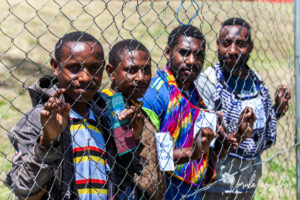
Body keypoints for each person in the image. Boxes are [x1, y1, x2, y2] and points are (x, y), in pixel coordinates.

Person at [5, 31, 142, 199]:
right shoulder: (37, 119)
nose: (85, 77)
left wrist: (132, 140)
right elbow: (24, 189)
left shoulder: (108, 115)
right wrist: (46, 142)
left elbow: (119, 182)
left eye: (94, 68)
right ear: (55, 66)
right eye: (74, 68)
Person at [142, 25, 255, 200]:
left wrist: (238, 135)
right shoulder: (158, 94)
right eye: (184, 53)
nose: (192, 60)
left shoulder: (196, 97)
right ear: (167, 52)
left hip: (191, 192)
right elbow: (155, 157)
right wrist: (193, 151)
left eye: (199, 54)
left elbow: (208, 154)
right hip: (163, 191)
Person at [195, 17, 291, 200]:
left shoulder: (255, 82)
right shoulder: (209, 82)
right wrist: (233, 135)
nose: (232, 50)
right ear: (217, 45)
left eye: (240, 44)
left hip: (248, 179)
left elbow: (257, 129)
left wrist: (276, 111)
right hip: (216, 184)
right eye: (227, 43)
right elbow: (205, 140)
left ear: (251, 47)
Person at [102, 39, 166, 199]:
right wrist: (134, 136)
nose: (141, 77)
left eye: (146, 70)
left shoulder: (141, 108)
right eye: (131, 70)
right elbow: (123, 153)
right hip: (125, 191)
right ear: (111, 72)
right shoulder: (114, 103)